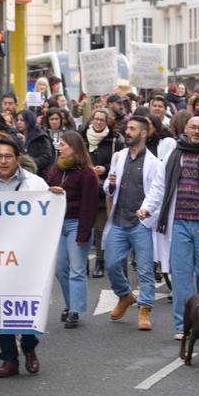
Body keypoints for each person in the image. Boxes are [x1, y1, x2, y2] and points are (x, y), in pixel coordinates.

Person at [0, 137, 54, 378]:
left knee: (22, 306)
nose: (3, 161)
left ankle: (29, 347)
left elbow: (49, 212)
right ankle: (9, 360)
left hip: (25, 257)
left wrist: (55, 196)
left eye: (8, 156)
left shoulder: (35, 184)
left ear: (18, 159)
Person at [138, 116, 199, 340]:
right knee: (180, 275)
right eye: (193, 127)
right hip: (178, 222)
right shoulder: (173, 154)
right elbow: (160, 185)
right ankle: (184, 325)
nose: (196, 131)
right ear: (185, 130)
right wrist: (147, 207)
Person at [103, 116, 162, 331]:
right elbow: (109, 189)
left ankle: (144, 309)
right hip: (119, 221)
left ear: (144, 133)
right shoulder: (118, 157)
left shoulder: (155, 164)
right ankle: (125, 296)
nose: (127, 132)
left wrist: (147, 211)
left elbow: (158, 193)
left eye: (132, 129)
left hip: (141, 223)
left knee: (145, 269)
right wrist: (109, 186)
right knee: (111, 264)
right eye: (127, 128)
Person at [46, 131, 98, 329]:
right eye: (59, 144)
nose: (59, 147)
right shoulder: (56, 170)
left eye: (64, 144)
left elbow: (90, 205)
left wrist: (83, 234)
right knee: (60, 269)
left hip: (76, 223)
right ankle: (70, 305)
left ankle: (75, 310)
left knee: (77, 270)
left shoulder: (87, 174)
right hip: (58, 224)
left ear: (74, 147)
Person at [81, 109, 125, 278]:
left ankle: (100, 261)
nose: (98, 122)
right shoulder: (82, 137)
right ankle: (82, 262)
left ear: (107, 122)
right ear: (91, 120)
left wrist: (105, 169)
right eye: (96, 119)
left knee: (100, 229)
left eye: (102, 120)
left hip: (103, 190)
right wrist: (87, 170)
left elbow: (118, 161)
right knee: (84, 227)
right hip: (85, 188)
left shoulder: (114, 140)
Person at [16, 110, 54, 177]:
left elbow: (46, 157)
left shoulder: (40, 137)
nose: (18, 122)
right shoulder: (17, 136)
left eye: (22, 120)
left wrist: (28, 162)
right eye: (17, 120)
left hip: (37, 174)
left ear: (29, 121)